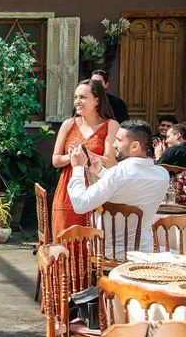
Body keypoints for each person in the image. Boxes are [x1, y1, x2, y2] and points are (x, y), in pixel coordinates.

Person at [67, 120, 169, 256]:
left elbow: (80, 204)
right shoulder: (162, 174)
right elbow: (128, 188)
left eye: (119, 140)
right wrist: (100, 171)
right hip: (144, 253)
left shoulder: (119, 173)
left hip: (109, 254)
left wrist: (78, 168)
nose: (114, 145)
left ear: (135, 146)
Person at [51, 79, 119, 244]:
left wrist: (88, 155)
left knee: (91, 239)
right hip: (68, 186)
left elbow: (111, 162)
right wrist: (74, 157)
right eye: (75, 97)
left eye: (82, 97)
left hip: (96, 188)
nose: (77, 102)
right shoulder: (68, 124)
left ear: (97, 100)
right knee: (65, 236)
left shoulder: (111, 125)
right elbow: (55, 160)